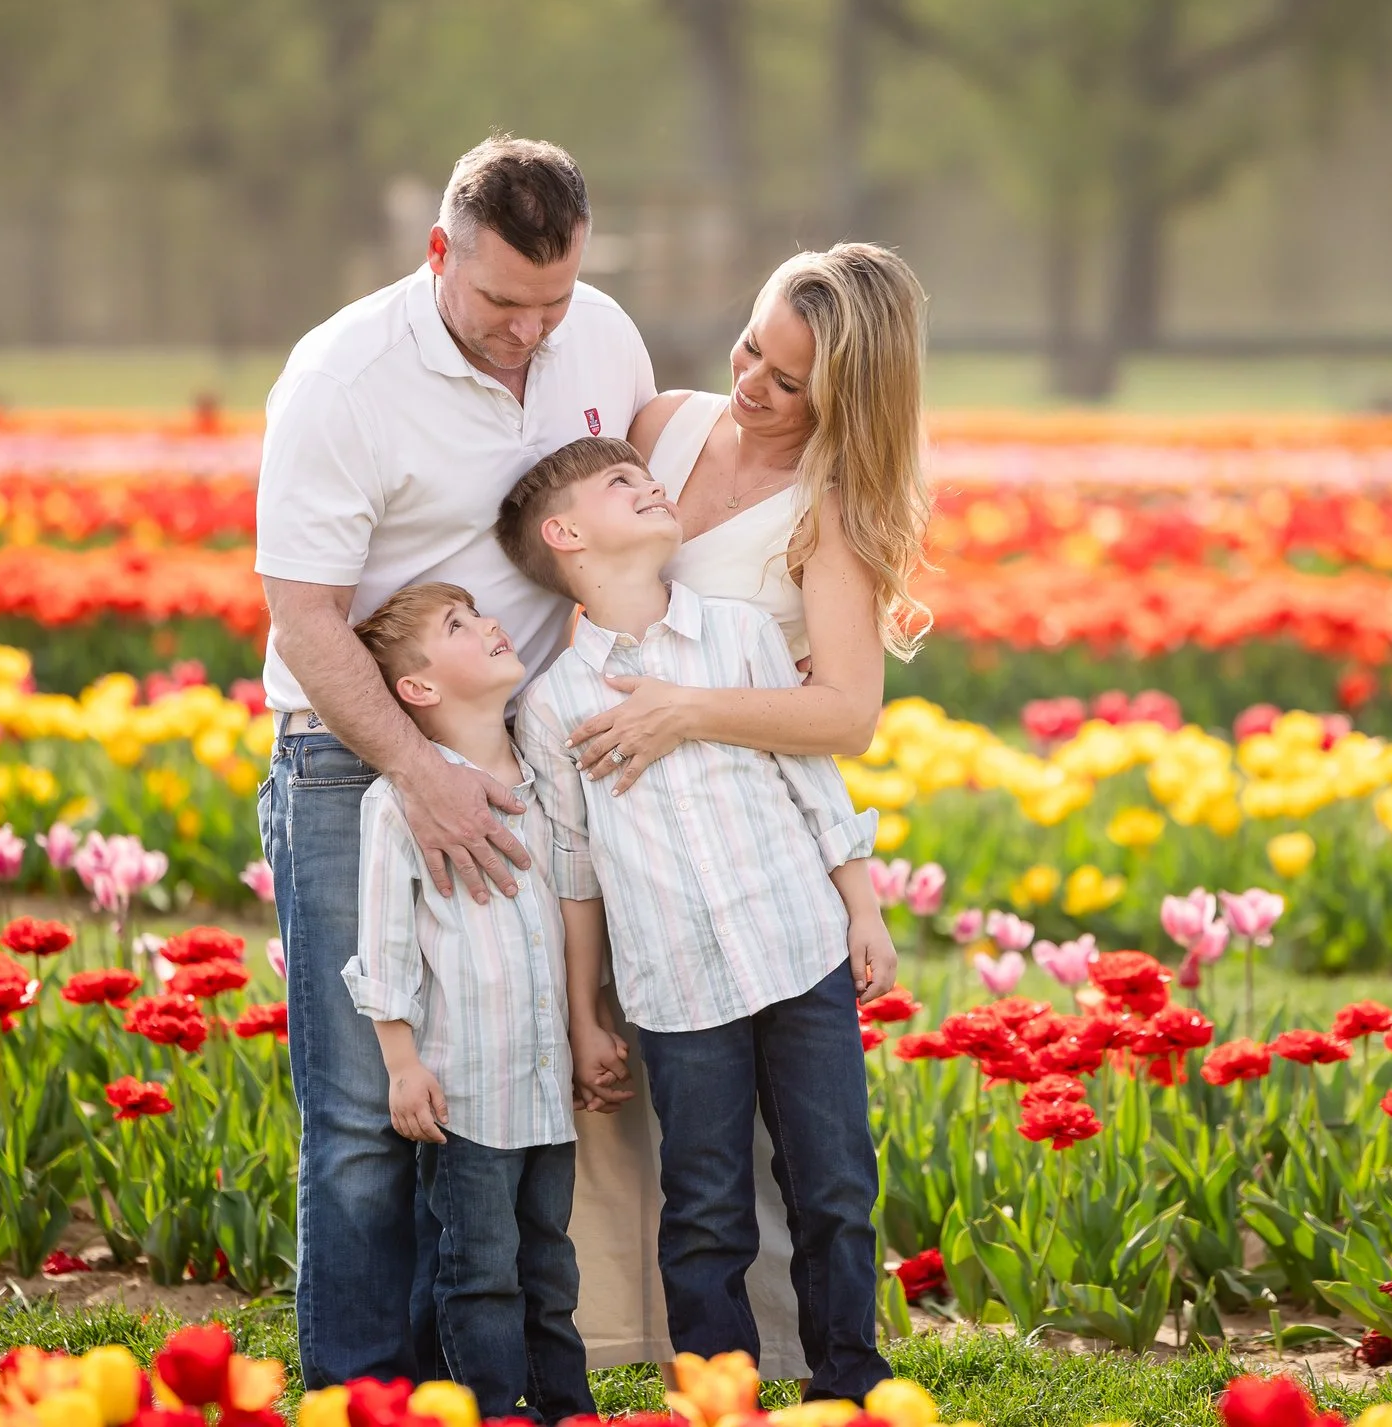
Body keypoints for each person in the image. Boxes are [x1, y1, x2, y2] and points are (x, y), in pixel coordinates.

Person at [254, 135, 653, 1386]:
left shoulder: (603, 337)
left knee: (488, 1091)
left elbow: (623, 519)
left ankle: (470, 1389)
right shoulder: (343, 377)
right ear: (439, 252)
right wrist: (414, 772)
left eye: (553, 302)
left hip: (513, 760)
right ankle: (361, 1398)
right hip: (351, 758)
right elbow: (303, 614)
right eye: (500, 303)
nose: (529, 333)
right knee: (363, 1114)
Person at [553, 244, 933, 1376]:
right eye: (752, 345)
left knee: (818, 1171)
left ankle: (838, 1372)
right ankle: (688, 1368)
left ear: (847, 397)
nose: (750, 382)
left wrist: (685, 711)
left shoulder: (829, 509)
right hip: (651, 874)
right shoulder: (662, 426)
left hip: (761, 869)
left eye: (787, 379)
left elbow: (846, 715)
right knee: (694, 1174)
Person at [503, 436, 901, 1404]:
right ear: (564, 535)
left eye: (646, 475)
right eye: (620, 483)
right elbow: (574, 870)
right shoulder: (553, 703)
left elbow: (811, 776)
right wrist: (585, 1013)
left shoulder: (739, 634)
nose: (650, 482)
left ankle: (849, 1389)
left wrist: (862, 905)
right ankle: (722, 1402)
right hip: (674, 985)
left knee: (835, 1188)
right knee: (704, 1210)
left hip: (799, 946)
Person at [340, 580, 597, 1424]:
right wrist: (401, 1064)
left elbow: (573, 907)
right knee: (480, 1270)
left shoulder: (545, 777)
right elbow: (383, 946)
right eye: (459, 623)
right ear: (418, 687)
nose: (490, 624)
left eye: (480, 613)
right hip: (468, 1092)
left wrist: (586, 1027)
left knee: (550, 1266)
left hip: (545, 1086)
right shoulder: (398, 805)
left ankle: (566, 1408)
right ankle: (491, 1410)